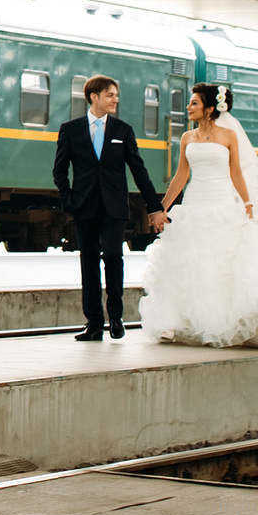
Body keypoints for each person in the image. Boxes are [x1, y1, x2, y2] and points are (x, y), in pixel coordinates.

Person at [140, 82, 258, 351]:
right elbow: (181, 176)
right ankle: (176, 321)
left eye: (194, 103)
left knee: (218, 263)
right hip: (194, 201)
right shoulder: (187, 138)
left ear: (210, 109)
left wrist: (247, 202)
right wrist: (161, 208)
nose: (188, 107)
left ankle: (217, 324)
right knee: (189, 261)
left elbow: (236, 172)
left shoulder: (228, 136)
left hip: (221, 202)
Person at [52, 74, 164, 342]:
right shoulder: (70, 129)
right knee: (88, 263)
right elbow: (59, 170)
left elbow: (139, 171)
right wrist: (68, 201)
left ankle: (116, 318)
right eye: (110, 95)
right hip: (84, 206)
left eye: (116, 95)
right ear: (94, 97)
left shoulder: (122, 130)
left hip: (114, 206)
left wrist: (154, 207)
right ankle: (93, 323)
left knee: (113, 257)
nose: (116, 99)